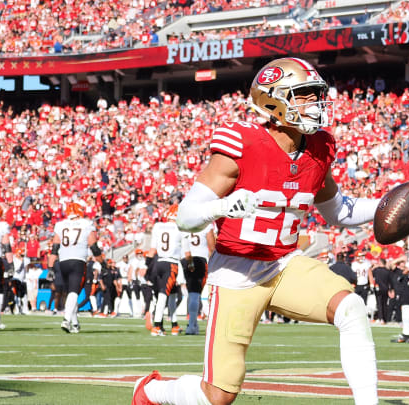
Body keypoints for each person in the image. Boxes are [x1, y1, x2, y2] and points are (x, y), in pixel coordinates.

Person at [133, 57, 379, 405]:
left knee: (350, 308)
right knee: (218, 396)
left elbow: (338, 210)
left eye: (316, 94)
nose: (315, 102)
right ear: (274, 101)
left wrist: (386, 206)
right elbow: (186, 217)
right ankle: (150, 391)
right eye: (304, 94)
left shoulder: (319, 147)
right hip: (237, 272)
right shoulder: (242, 143)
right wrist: (221, 207)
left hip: (284, 264)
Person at [48, 202, 102, 333]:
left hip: (63, 261)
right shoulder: (85, 224)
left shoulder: (61, 225)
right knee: (73, 292)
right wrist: (103, 263)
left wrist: (50, 267)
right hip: (78, 260)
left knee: (70, 294)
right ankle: (66, 320)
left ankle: (75, 324)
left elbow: (54, 248)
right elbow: (94, 246)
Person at [144, 205, 182, 337]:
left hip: (158, 263)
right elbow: (186, 252)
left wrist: (147, 268)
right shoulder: (180, 228)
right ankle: (157, 326)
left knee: (169, 293)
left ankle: (172, 325)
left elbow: (152, 250)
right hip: (172, 264)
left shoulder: (158, 226)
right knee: (164, 295)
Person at [180, 223, 215, 335]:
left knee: (192, 293)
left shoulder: (185, 223)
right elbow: (212, 247)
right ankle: (191, 325)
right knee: (195, 293)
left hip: (185, 258)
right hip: (200, 259)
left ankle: (193, 324)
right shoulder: (207, 224)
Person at [368, 258, 391, 325]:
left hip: (378, 288)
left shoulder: (376, 270)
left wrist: (373, 267)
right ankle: (385, 318)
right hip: (386, 289)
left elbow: (370, 274)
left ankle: (381, 318)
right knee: (385, 304)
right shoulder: (388, 271)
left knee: (379, 304)